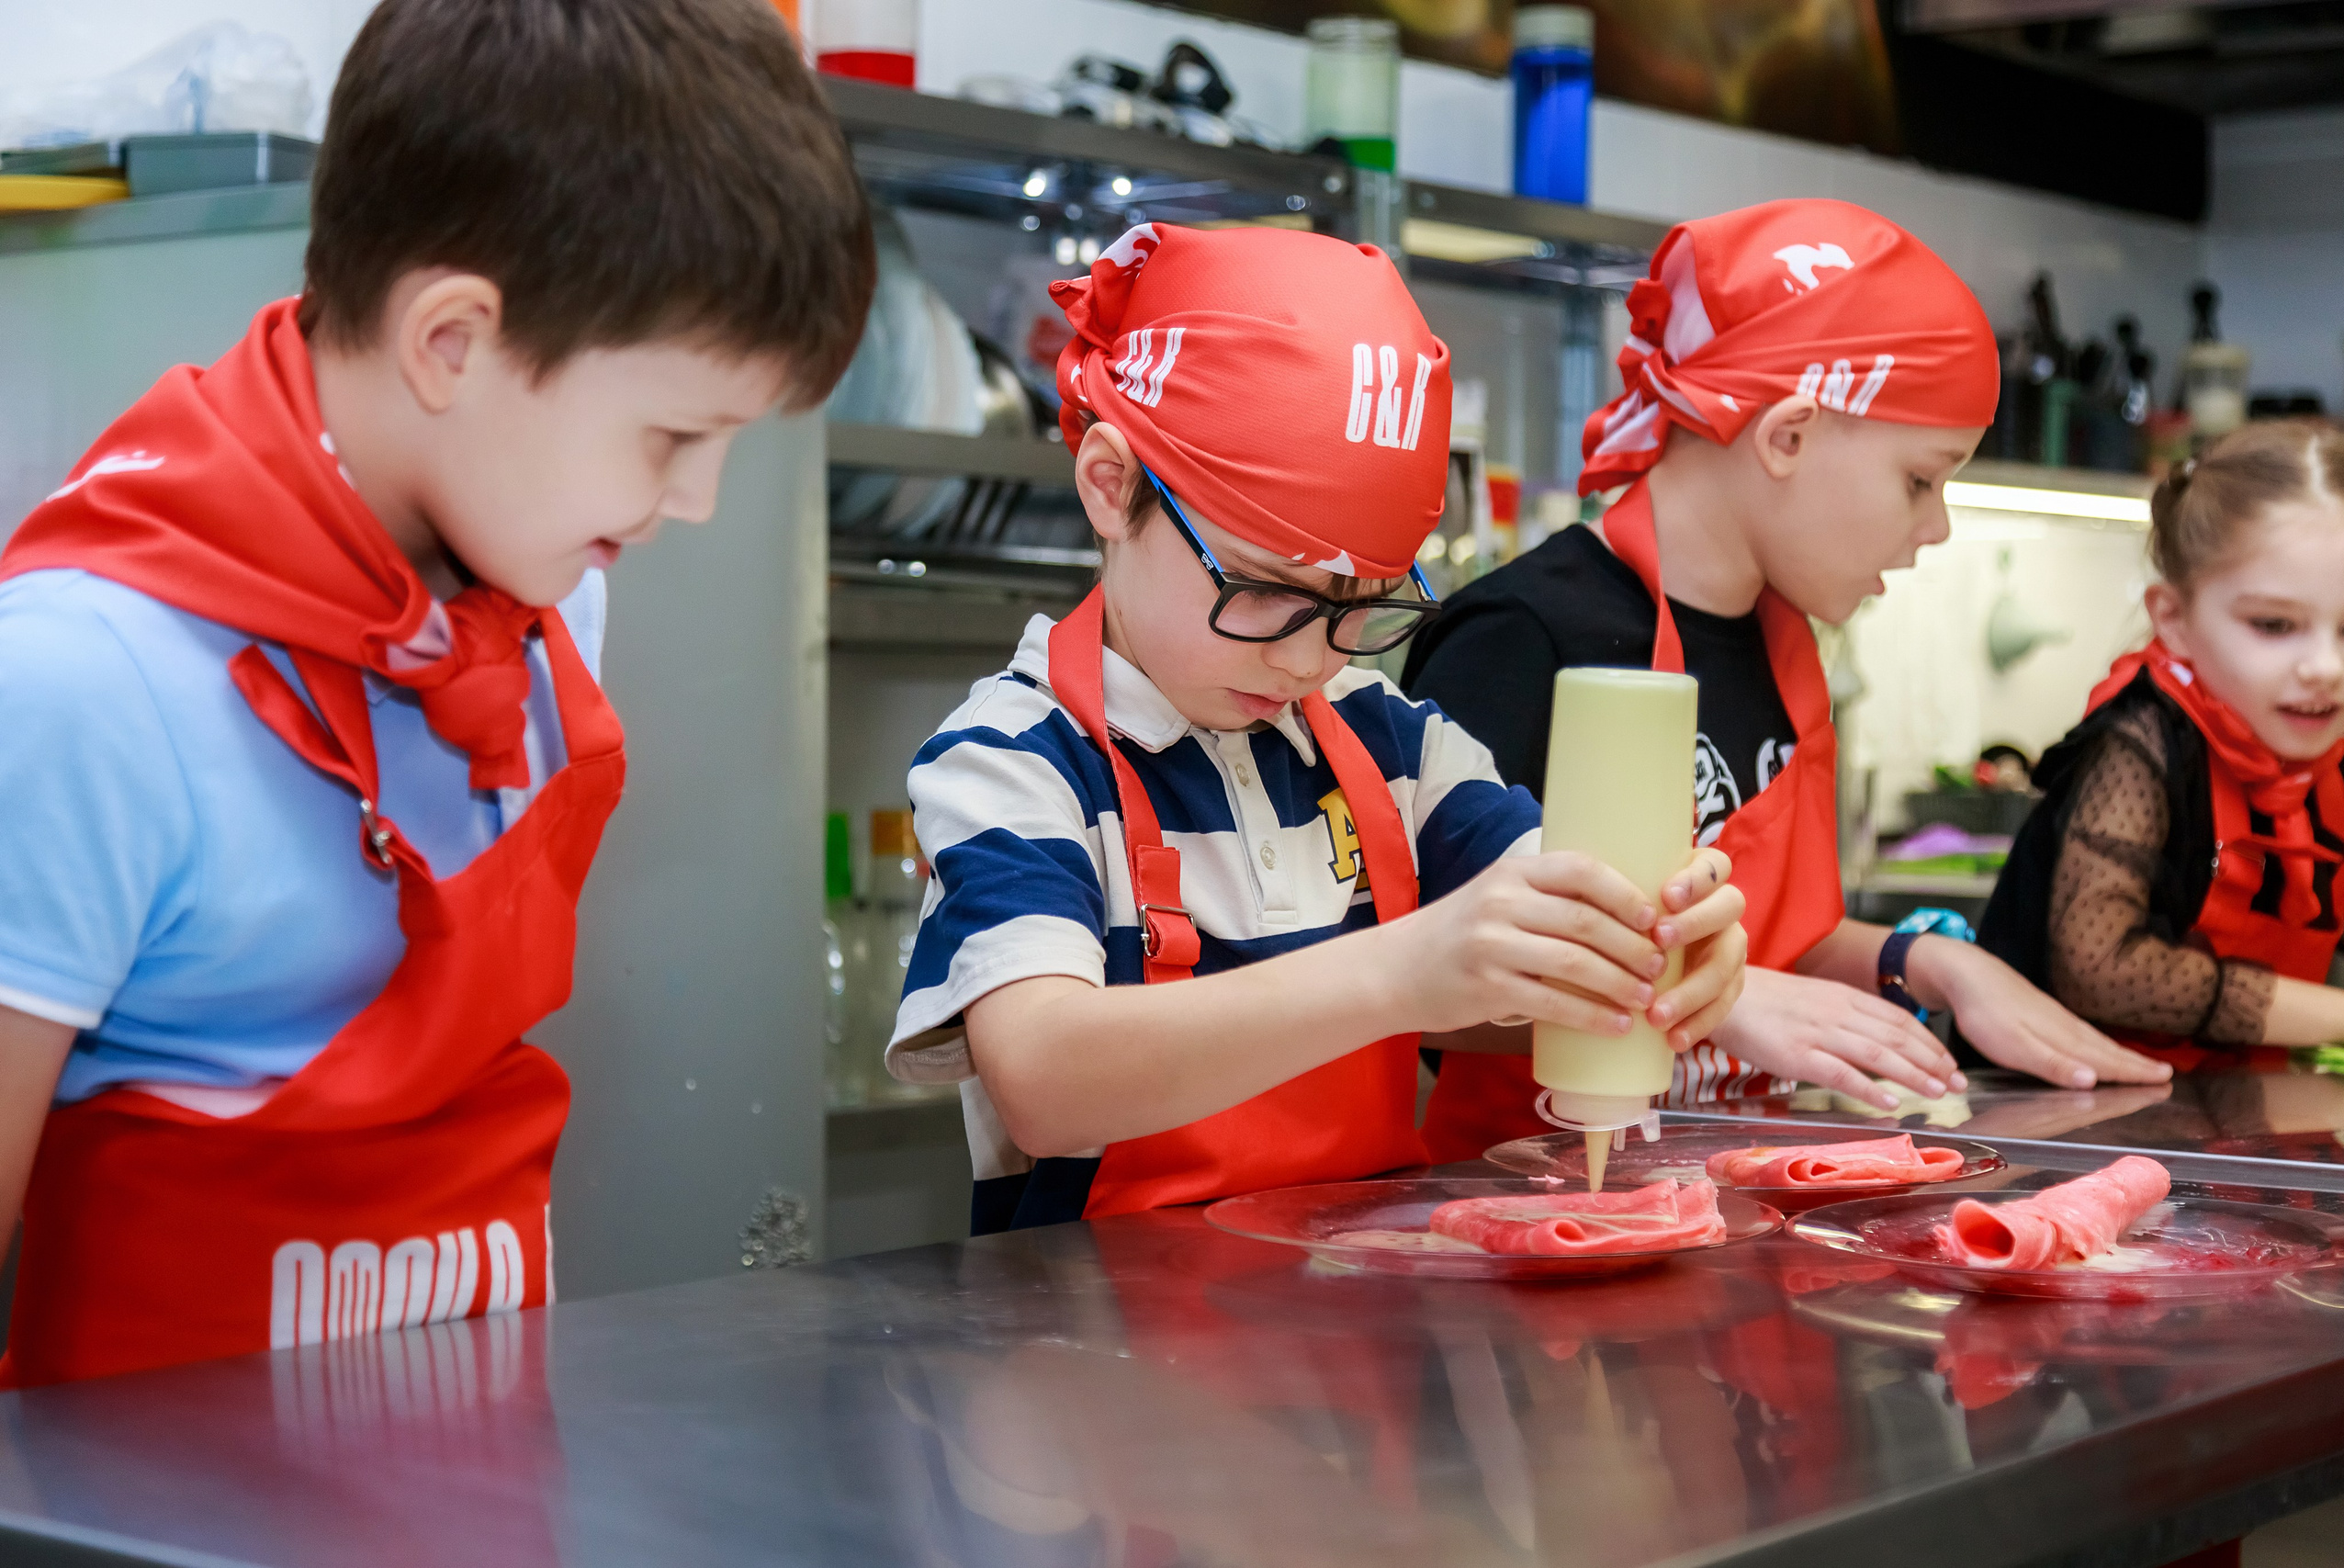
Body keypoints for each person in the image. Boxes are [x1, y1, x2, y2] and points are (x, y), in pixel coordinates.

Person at [0, 0, 873, 1385]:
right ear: (453, 341)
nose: (696, 502)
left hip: (469, 1464)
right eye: (673, 434)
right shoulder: (80, 686)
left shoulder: (550, 599)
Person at [881, 223, 1750, 1232]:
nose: (1312, 658)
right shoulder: (1013, 763)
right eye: (1265, 591)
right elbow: (1045, 1076)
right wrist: (1401, 969)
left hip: (1350, 1345)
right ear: (1112, 488)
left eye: (1362, 605)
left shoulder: (1395, 747)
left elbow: (1540, 958)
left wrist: (1656, 956)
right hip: (1090, 1357)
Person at [1404, 198, 2170, 1165]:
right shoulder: (1525, 634)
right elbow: (1420, 995)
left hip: (1723, 1188)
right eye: (1920, 480)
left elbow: (1775, 940)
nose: (1933, 529)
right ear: (1788, 436)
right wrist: (1712, 1003)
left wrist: (1925, 962)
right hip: (1531, 1205)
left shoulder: (1781, 640)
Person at [1980, 423, 2344, 1064]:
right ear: (2174, 620)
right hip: (2071, 1116)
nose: (2325, 666)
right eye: (2274, 624)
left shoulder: (2329, 747)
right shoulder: (2139, 744)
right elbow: (2101, 967)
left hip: (2227, 1108)